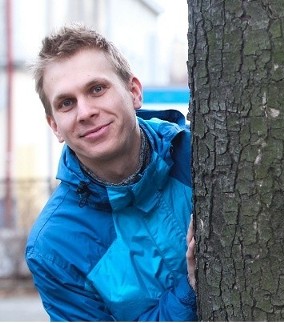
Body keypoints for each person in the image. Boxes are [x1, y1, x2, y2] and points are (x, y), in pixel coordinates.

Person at [24, 23, 197, 321]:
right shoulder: (54, 246)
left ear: (134, 92)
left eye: (97, 89)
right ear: (55, 127)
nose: (85, 111)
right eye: (66, 103)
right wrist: (191, 290)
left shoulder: (198, 157)